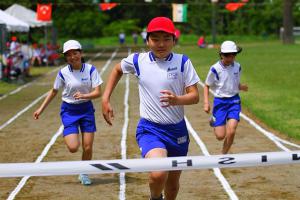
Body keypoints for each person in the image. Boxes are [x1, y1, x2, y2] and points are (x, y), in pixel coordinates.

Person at [102, 17, 200, 200]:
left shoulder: (182, 62)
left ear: (174, 40)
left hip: (177, 131)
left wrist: (177, 99)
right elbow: (117, 70)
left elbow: (195, 96)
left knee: (172, 185)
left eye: (166, 38)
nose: (161, 44)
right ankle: (155, 198)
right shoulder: (138, 61)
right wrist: (105, 98)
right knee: (158, 173)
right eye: (155, 39)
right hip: (150, 129)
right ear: (147, 40)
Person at [33, 40, 102, 185]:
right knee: (73, 148)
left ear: (80, 53)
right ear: (65, 57)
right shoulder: (63, 73)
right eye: (68, 55)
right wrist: (41, 109)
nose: (72, 57)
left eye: (75, 53)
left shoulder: (91, 70)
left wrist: (85, 96)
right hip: (69, 110)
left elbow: (98, 93)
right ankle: (69, 129)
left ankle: (84, 173)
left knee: (88, 146)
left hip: (86, 109)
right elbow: (53, 92)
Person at [203, 40, 248, 154]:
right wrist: (206, 103)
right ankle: (214, 121)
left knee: (231, 131)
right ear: (221, 55)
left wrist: (241, 87)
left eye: (232, 55)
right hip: (220, 102)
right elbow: (207, 85)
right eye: (226, 55)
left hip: (234, 101)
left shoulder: (237, 67)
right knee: (220, 136)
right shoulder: (215, 69)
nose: (229, 58)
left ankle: (223, 155)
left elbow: (235, 83)